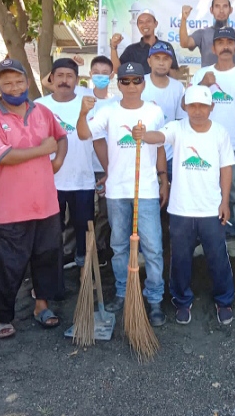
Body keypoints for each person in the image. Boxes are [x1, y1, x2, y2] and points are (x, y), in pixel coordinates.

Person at [0, 59, 68, 339]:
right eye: (7, 83)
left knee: (47, 258)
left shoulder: (42, 111)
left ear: (27, 82)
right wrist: (43, 151)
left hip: (45, 204)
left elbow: (61, 137)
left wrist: (57, 161)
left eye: (18, 81)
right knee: (4, 265)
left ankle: (42, 306)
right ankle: (0, 317)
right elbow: (1, 155)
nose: (14, 87)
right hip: (8, 209)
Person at [131, 85, 235, 325]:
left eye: (202, 106)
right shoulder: (177, 128)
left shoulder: (220, 132)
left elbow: (226, 168)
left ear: (212, 107)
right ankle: (181, 300)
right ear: (185, 106)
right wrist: (143, 135)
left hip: (211, 208)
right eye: (192, 105)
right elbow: (159, 136)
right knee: (180, 258)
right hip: (180, 209)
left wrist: (225, 201)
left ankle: (224, 300)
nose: (197, 111)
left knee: (218, 256)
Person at [77, 62, 169, 327]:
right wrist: (83, 114)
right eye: (125, 81)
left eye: (136, 80)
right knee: (118, 245)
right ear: (119, 84)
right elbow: (84, 134)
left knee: (152, 247)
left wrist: (164, 180)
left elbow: (160, 146)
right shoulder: (108, 111)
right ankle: (122, 291)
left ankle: (153, 299)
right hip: (117, 190)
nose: (131, 86)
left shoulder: (154, 111)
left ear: (143, 83)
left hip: (147, 189)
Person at [190, 27, 235, 257]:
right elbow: (186, 105)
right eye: (221, 43)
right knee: (206, 192)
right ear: (213, 48)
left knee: (233, 195)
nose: (226, 46)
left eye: (230, 42)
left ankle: (231, 239)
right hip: (205, 144)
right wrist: (204, 86)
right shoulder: (203, 74)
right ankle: (206, 239)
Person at [35, 58, 95, 271]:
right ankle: (51, 270)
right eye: (59, 75)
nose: (64, 80)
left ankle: (84, 270)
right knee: (51, 229)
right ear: (51, 78)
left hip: (82, 179)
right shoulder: (40, 106)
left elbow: (98, 138)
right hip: (51, 179)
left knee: (84, 229)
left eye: (69, 76)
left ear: (77, 80)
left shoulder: (88, 102)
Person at [87, 56, 119, 268]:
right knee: (83, 213)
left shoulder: (117, 102)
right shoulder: (82, 97)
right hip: (84, 166)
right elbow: (48, 82)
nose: (100, 75)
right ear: (90, 74)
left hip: (108, 166)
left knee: (106, 213)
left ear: (111, 75)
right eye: (95, 71)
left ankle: (100, 250)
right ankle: (79, 252)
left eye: (104, 72)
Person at [142, 41, 187, 180]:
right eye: (157, 58)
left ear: (171, 62)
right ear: (149, 61)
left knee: (169, 198)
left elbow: (181, 122)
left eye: (166, 59)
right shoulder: (138, 83)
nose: (161, 63)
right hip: (143, 153)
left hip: (170, 155)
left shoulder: (178, 88)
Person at [179, 0, 235, 67]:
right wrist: (184, 19)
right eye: (217, 6)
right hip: (208, 78)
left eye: (225, 6)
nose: (221, 11)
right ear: (211, 10)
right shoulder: (202, 34)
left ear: (230, 10)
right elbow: (184, 43)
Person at [110, 8, 180, 78]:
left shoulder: (166, 47)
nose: (145, 25)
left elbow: (173, 72)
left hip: (162, 88)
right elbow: (117, 70)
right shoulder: (131, 50)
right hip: (139, 88)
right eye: (141, 22)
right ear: (137, 26)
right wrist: (113, 47)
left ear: (155, 24)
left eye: (148, 21)